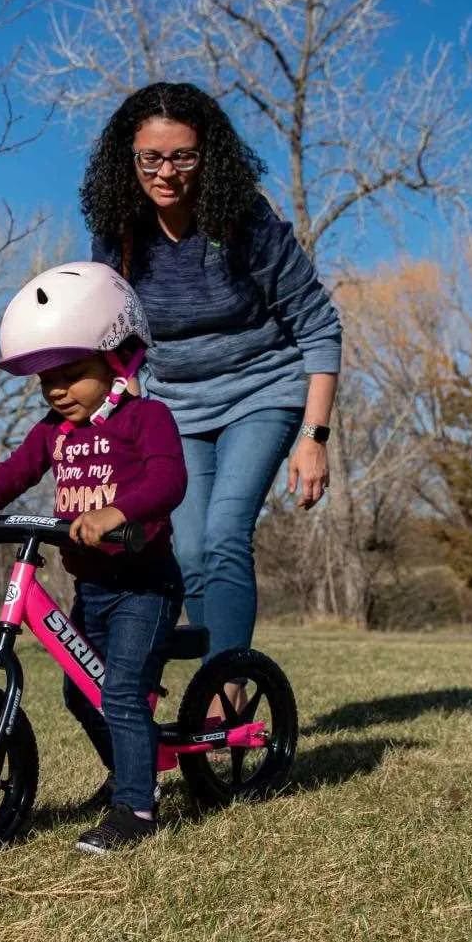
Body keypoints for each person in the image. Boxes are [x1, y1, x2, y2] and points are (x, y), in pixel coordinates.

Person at [84, 82, 342, 713]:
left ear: (209, 156)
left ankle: (225, 693)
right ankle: (216, 691)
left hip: (263, 390)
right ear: (129, 158)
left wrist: (313, 438)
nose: (166, 172)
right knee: (190, 546)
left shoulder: (243, 222)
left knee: (226, 533)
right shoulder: (119, 235)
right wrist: (129, 420)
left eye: (182, 156)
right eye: (151, 158)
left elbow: (319, 326)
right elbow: (120, 342)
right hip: (176, 407)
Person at [0, 261, 186, 854]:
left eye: (71, 374)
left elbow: (168, 480)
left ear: (117, 359)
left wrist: (117, 513)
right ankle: (131, 772)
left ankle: (136, 809)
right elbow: (15, 470)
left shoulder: (146, 418)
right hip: (94, 589)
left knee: (122, 691)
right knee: (81, 693)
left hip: (144, 584)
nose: (57, 389)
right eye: (45, 380)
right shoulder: (53, 431)